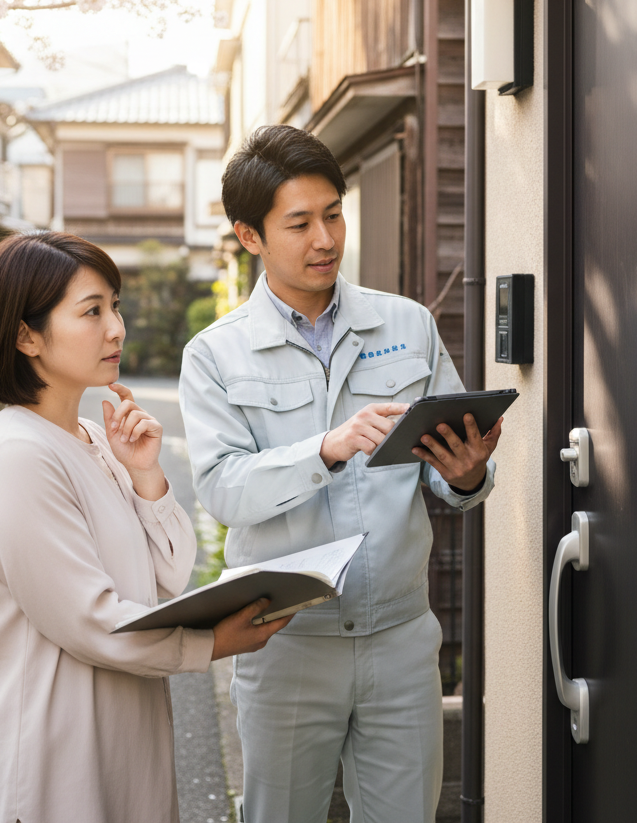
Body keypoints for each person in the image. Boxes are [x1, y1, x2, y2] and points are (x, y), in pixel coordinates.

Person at [179, 125, 502, 823]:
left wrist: (469, 475)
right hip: (286, 641)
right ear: (250, 235)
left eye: (333, 213)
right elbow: (222, 488)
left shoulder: (408, 324)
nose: (325, 238)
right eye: (299, 223)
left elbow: (448, 478)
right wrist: (325, 448)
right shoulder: (216, 355)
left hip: (401, 639)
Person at [0, 231, 289, 823]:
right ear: (25, 335)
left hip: (118, 741)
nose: (116, 327)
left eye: (115, 305)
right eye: (92, 311)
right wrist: (211, 644)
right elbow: (92, 621)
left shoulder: (89, 438)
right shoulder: (17, 456)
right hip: (49, 762)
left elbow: (167, 574)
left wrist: (145, 475)